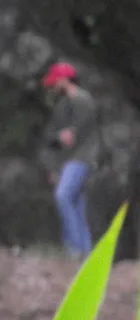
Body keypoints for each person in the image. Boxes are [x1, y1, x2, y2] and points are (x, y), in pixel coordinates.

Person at [40, 62, 99, 259]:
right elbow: (56, 136)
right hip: (73, 160)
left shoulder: (81, 100)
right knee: (76, 203)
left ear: (65, 80)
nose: (53, 86)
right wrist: (55, 166)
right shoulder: (65, 103)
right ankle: (86, 253)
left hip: (81, 158)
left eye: (55, 81)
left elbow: (72, 134)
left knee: (63, 196)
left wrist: (67, 134)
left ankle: (75, 248)